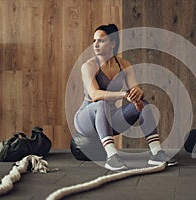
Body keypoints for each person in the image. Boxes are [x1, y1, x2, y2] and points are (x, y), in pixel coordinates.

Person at [74, 24, 177, 171]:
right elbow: (95, 95)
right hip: (87, 120)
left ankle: (156, 153)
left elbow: (135, 88)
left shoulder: (124, 65)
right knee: (101, 104)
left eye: (101, 41)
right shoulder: (89, 66)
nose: (95, 44)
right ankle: (112, 156)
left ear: (113, 43)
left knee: (144, 104)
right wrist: (124, 94)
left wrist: (137, 95)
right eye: (94, 41)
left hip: (110, 119)